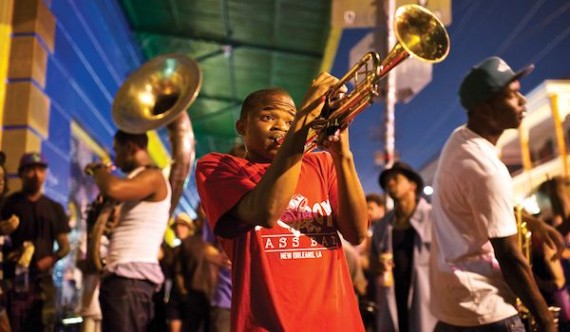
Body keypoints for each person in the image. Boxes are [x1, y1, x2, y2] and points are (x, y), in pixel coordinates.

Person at [195, 72, 369, 331]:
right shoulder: (218, 166)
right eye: (268, 117)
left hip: (338, 322)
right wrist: (302, 121)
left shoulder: (321, 163)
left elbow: (356, 233)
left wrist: (342, 154)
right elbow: (266, 212)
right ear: (242, 127)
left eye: (289, 120)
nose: (281, 126)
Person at [430, 56, 564, 332]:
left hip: (455, 306)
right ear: (485, 109)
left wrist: (533, 222)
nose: (523, 101)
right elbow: (509, 256)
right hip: (486, 310)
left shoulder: (460, 140)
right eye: (512, 94)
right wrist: (546, 320)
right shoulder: (485, 166)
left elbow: (480, 202)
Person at [84, 130, 171, 332]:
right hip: (123, 280)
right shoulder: (139, 178)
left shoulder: (154, 176)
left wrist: (98, 169)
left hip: (130, 281)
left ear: (131, 147)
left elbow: (114, 188)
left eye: (117, 150)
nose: (116, 157)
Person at [1, 152, 71, 332]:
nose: (36, 174)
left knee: (42, 325)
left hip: (43, 282)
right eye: (30, 169)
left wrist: (51, 259)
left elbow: (65, 247)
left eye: (40, 169)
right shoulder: (9, 203)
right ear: (21, 173)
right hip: (13, 279)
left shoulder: (55, 208)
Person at [369, 161, 435, 332]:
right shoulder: (383, 225)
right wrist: (378, 266)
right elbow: (373, 262)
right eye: (386, 182)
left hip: (427, 303)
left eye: (395, 179)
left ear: (413, 185)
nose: (389, 183)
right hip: (392, 301)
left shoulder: (433, 218)